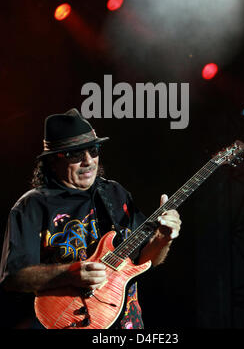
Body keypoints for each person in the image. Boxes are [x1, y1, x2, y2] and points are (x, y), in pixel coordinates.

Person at [0, 108, 181, 329]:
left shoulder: (115, 193)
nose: (88, 161)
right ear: (52, 161)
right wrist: (69, 274)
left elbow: (145, 260)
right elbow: (13, 277)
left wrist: (163, 239)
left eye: (93, 150)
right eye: (75, 154)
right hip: (71, 321)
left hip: (128, 324)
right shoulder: (32, 206)